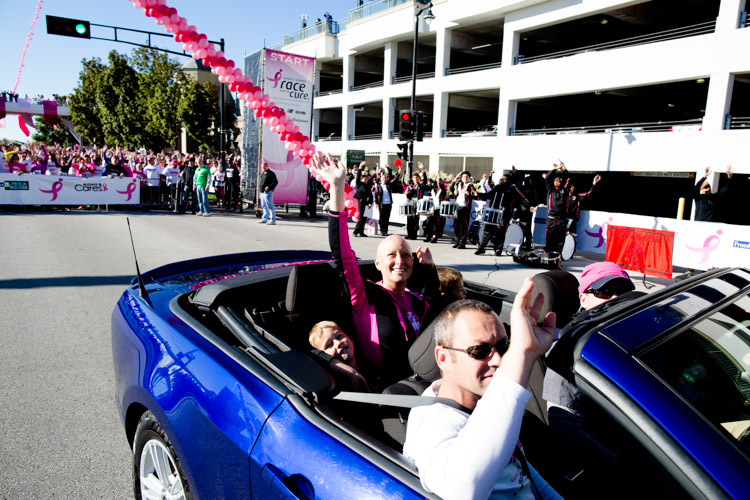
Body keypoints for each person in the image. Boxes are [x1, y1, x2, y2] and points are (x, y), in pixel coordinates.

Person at [403, 281, 561, 500]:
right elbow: (461, 490)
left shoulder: (486, 406)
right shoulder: (432, 424)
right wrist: (521, 355)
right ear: (443, 358)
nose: (497, 359)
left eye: (504, 346)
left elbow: (526, 475)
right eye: (480, 350)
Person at [312, 152, 440, 388]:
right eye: (391, 255)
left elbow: (433, 298)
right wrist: (338, 188)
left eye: (405, 255)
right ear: (377, 263)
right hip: (389, 395)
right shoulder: (365, 297)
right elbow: (342, 256)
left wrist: (430, 268)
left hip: (430, 386)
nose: (400, 261)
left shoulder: (419, 300)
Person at [542, 261, 635, 497]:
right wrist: (623, 466)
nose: (615, 298)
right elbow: (564, 427)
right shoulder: (572, 349)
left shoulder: (632, 333)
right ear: (583, 299)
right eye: (604, 292)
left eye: (622, 291)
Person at [475, 168, 529, 256]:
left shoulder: (513, 188)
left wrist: (529, 206)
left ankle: (498, 249)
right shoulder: (498, 187)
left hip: (505, 214)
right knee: (487, 230)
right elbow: (488, 195)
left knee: (500, 232)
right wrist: (478, 194)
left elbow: (522, 198)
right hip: (493, 213)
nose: (503, 180)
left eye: (505, 179)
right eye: (502, 179)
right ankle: (481, 248)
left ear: (509, 180)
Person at [308, 320, 368, 391]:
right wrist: (352, 373)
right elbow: (313, 353)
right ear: (323, 355)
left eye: (339, 336)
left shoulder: (371, 368)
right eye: (329, 345)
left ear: (350, 338)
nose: (338, 343)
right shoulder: (335, 384)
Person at [545, 161, 570, 253]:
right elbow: (548, 177)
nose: (558, 181)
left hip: (562, 219)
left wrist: (563, 169)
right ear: (553, 182)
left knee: (560, 240)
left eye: (560, 180)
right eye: (556, 180)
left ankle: (558, 258)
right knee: (550, 238)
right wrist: (555, 169)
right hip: (552, 218)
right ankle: (548, 256)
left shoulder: (565, 190)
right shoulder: (550, 189)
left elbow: (569, 178)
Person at [448, 170, 478, 249]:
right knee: (456, 224)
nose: (465, 178)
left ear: (469, 178)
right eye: (464, 176)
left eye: (466, 177)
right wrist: (455, 182)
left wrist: (468, 194)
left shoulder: (470, 186)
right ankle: (457, 241)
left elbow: (475, 195)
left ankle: (462, 242)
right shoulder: (459, 184)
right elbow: (451, 188)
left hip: (465, 207)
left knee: (463, 226)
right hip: (458, 206)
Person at [423, 177, 446, 243]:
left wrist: (440, 182)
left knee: (436, 225)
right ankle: (428, 236)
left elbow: (443, 190)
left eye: (439, 182)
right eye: (437, 181)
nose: (438, 183)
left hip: (438, 208)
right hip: (432, 208)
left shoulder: (443, 190)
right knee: (428, 223)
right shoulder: (433, 189)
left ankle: (434, 237)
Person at [352, 170, 373, 237]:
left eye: (367, 179)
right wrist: (360, 169)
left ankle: (361, 232)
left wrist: (370, 203)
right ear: (361, 179)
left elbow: (370, 196)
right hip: (361, 202)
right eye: (364, 179)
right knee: (361, 217)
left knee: (365, 218)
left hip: (367, 204)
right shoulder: (359, 184)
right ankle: (355, 231)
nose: (366, 180)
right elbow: (358, 177)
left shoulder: (368, 186)